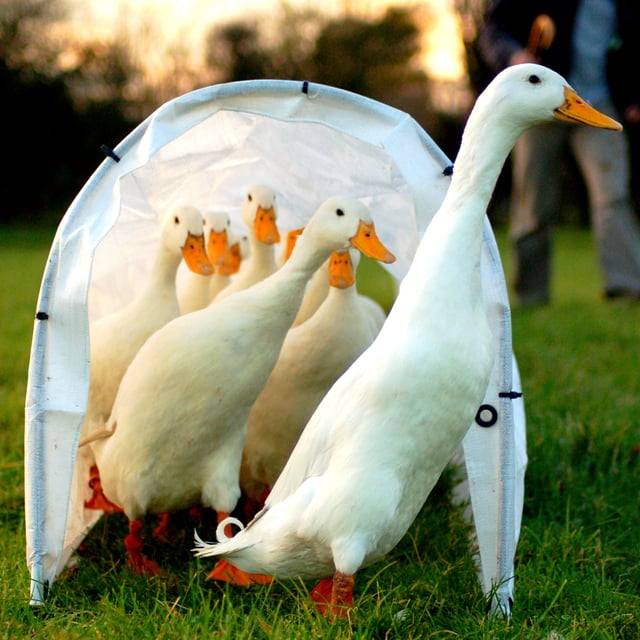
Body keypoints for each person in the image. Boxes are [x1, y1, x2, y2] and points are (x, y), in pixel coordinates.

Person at [478, 0, 640, 305]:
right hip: (542, 99)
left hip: (598, 103)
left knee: (612, 195)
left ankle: (626, 289)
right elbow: (494, 29)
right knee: (533, 200)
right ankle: (530, 295)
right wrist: (513, 56)